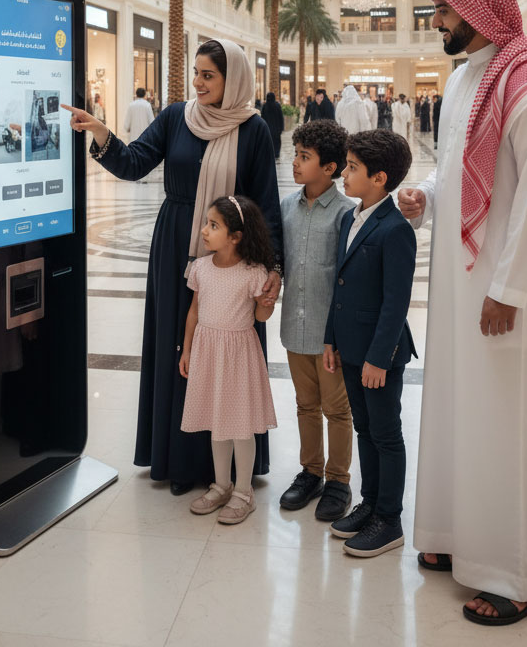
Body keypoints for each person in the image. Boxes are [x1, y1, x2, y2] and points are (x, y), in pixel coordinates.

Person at [397, 0, 527, 626]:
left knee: (504, 423)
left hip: (505, 289)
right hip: (457, 284)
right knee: (457, 410)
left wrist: (508, 287)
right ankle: (455, 537)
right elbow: (461, 174)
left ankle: (520, 574)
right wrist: (427, 195)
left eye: (443, 12)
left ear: (476, 11)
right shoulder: (464, 78)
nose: (438, 23)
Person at [63, 39, 283, 494]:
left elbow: (266, 205)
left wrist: (273, 269)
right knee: (178, 346)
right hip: (176, 246)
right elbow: (135, 162)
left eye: (209, 75)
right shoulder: (175, 117)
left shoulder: (254, 130)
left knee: (229, 348)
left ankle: (230, 471)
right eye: (197, 73)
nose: (199, 83)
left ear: (232, 79)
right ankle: (179, 459)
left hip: (234, 257)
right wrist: (102, 133)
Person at [323, 129, 417, 557]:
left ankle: (390, 518)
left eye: (353, 168)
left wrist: (379, 358)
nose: (344, 173)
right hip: (350, 347)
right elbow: (338, 286)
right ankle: (370, 503)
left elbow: (396, 303)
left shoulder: (396, 230)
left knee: (385, 434)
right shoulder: (350, 217)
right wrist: (330, 339)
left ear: (379, 178)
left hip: (380, 354)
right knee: (363, 428)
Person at [180, 195, 278, 524]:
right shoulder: (200, 267)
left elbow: (262, 316)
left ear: (235, 236)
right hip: (208, 351)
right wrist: (188, 348)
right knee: (217, 423)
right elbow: (194, 310)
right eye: (207, 223)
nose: (205, 230)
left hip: (238, 354)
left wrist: (268, 301)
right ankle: (222, 485)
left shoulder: (253, 272)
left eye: (213, 225)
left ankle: (244, 491)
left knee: (241, 426)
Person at [278, 120, 355, 522]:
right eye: (296, 154)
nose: (295, 163)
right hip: (295, 326)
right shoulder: (287, 208)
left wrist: (339, 336)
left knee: (336, 409)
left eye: (305, 157)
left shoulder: (347, 213)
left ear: (330, 168)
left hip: (330, 335)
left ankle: (339, 481)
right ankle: (311, 472)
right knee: (305, 405)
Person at [261, 91, 285, 159]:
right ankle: (276, 153)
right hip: (276, 129)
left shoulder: (265, 106)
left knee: (268, 142)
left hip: (267, 128)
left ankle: (269, 153)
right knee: (277, 142)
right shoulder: (277, 105)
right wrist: (282, 127)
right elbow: (281, 117)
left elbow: (262, 118)